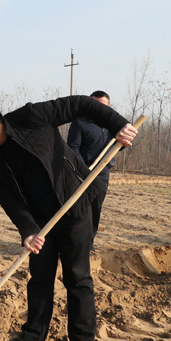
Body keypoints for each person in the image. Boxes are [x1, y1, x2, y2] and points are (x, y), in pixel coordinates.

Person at [0, 96, 137, 341]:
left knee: (77, 277)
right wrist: (28, 231)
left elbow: (81, 104)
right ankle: (33, 336)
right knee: (39, 277)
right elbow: (8, 197)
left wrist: (118, 125)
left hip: (74, 207)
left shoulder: (32, 116)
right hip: (40, 221)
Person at [67, 90, 113, 248]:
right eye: (95, 104)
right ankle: (74, 242)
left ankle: (89, 243)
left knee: (96, 210)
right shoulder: (80, 122)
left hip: (102, 174)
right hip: (83, 174)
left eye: (103, 105)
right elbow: (73, 147)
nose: (99, 108)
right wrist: (84, 169)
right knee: (79, 210)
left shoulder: (111, 125)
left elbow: (115, 146)